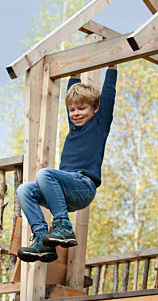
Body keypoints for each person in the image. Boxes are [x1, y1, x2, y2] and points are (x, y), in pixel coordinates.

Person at [17, 65, 118, 262]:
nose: (76, 113)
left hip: (83, 186)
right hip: (63, 192)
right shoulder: (73, 126)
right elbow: (71, 94)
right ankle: (43, 241)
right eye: (72, 110)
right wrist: (75, 71)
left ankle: (63, 225)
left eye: (82, 108)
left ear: (96, 109)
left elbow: (108, 95)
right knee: (24, 190)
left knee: (44, 174)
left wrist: (112, 67)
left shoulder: (99, 124)